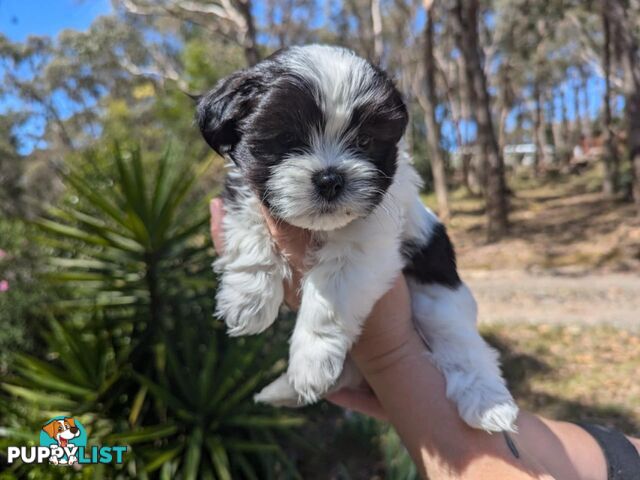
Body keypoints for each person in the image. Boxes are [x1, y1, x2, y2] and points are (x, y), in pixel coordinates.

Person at [210, 198, 640, 480]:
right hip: (611, 454)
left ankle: (475, 383)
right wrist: (417, 395)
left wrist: (391, 356)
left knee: (461, 355)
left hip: (436, 299)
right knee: (482, 403)